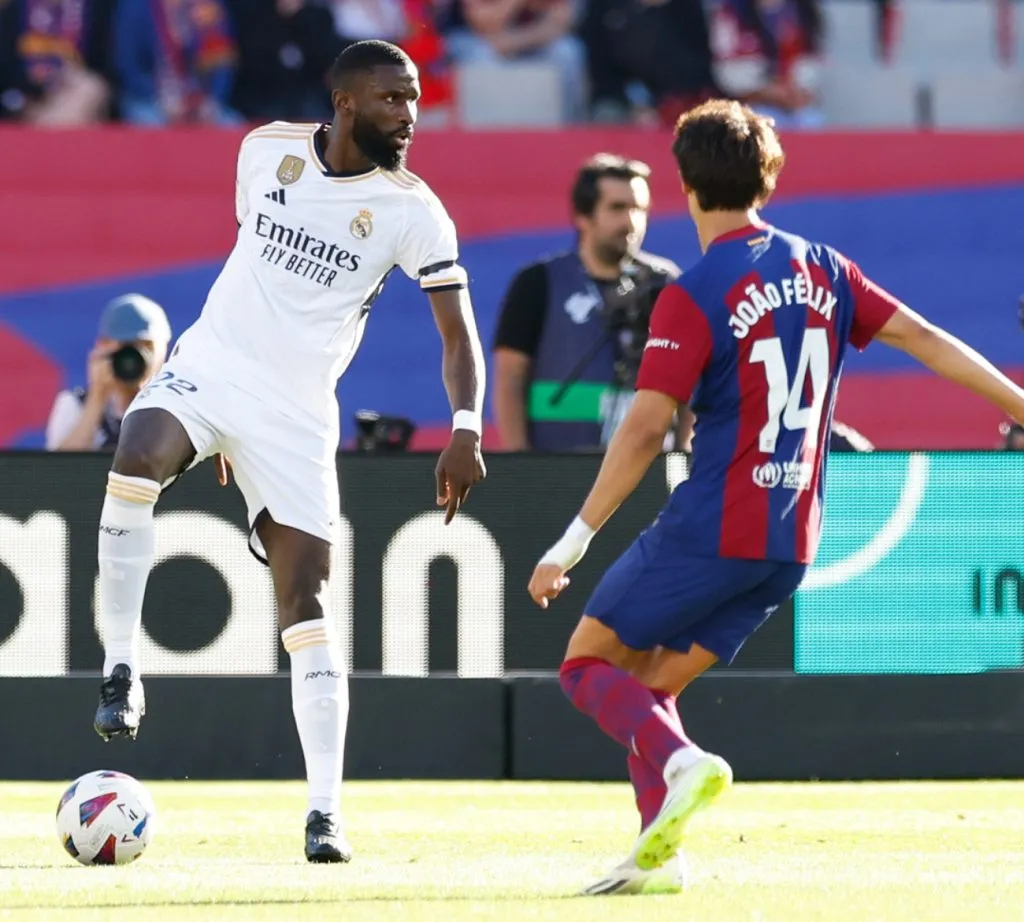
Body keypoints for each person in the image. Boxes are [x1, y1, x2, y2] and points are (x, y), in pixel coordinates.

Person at [527, 98, 1024, 895]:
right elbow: (926, 340)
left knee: (587, 666)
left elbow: (645, 429)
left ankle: (684, 764)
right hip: (790, 538)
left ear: (686, 183)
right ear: (769, 176)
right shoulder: (827, 269)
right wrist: (1018, 404)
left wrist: (572, 540)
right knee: (649, 689)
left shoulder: (694, 291)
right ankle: (659, 857)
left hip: (713, 524)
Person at [91, 40, 486, 864]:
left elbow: (458, 335)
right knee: (136, 452)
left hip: (298, 415)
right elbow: (254, 265)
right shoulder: (263, 150)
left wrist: (466, 426)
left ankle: (324, 814)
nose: (409, 116)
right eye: (391, 99)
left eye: (414, 99)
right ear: (344, 102)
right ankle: (122, 668)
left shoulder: (414, 211)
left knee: (305, 601)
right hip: (209, 370)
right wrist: (216, 429)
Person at [492, 154, 689, 452]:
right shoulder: (538, 282)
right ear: (583, 216)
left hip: (649, 466)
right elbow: (510, 378)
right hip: (559, 466)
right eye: (617, 208)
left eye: (639, 209)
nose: (631, 221)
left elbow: (690, 380)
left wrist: (683, 456)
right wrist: (519, 462)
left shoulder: (666, 284)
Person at [45, 294, 172, 451]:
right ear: (104, 346)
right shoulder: (74, 404)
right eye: (127, 346)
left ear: (164, 348)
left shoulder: (178, 404)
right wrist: (97, 396)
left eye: (147, 346)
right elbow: (59, 464)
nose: (136, 357)